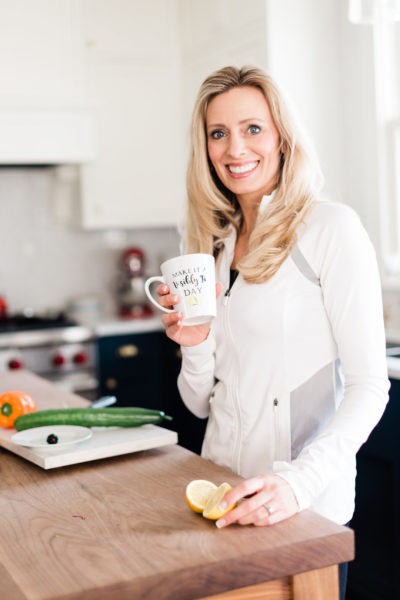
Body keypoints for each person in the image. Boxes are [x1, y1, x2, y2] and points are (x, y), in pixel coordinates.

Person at [156, 65, 389, 599]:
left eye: (253, 128)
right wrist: (193, 349)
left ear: (283, 136)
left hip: (299, 509)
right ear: (206, 147)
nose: (235, 148)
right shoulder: (216, 247)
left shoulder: (329, 228)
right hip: (222, 498)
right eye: (219, 133)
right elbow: (199, 405)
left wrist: (296, 484)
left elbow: (369, 386)